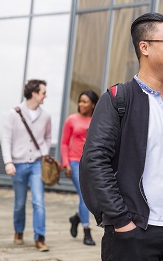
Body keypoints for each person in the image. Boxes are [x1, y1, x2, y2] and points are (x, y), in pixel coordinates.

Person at [79, 12, 163, 261]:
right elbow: (95, 161)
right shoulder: (118, 99)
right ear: (145, 47)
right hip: (133, 231)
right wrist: (121, 219)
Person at [1, 79, 52, 252]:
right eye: (43, 92)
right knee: (20, 203)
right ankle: (19, 231)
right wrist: (8, 162)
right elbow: (6, 139)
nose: (46, 96)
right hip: (18, 163)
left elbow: (48, 137)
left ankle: (40, 237)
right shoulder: (13, 114)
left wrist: (45, 152)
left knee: (39, 201)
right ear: (34, 94)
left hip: (37, 163)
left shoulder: (46, 116)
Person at [61, 90, 99, 246]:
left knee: (91, 197)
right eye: (80, 101)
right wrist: (66, 163)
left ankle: (77, 217)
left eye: (85, 101)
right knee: (85, 196)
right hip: (75, 162)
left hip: (92, 163)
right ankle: (86, 230)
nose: (81, 104)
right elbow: (64, 143)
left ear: (93, 105)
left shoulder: (97, 120)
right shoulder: (72, 119)